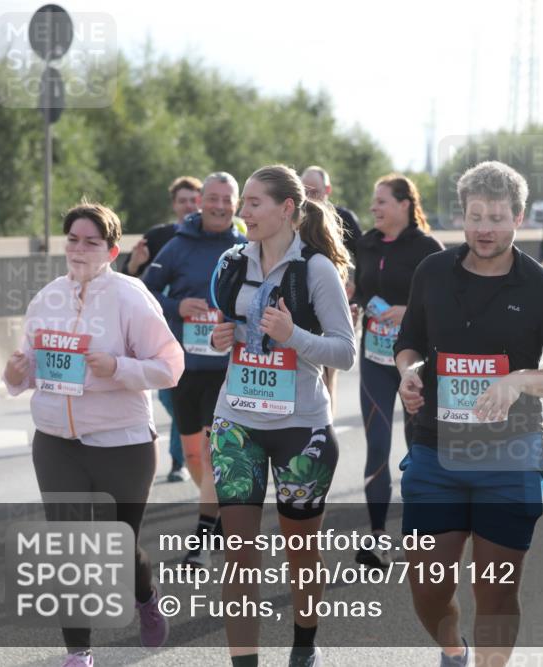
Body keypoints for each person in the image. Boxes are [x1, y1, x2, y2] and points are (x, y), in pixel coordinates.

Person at [395, 161, 543, 667]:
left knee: (496, 591)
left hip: (511, 457)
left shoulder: (542, 287)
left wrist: (518, 380)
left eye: (497, 217)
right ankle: (453, 651)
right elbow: (410, 341)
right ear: (463, 215)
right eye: (476, 215)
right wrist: (409, 372)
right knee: (428, 587)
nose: (485, 227)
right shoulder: (432, 272)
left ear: (518, 218)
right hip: (436, 451)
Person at [3, 201, 184, 667]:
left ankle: (144, 595)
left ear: (112, 249)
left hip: (121, 442)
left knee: (119, 547)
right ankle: (78, 652)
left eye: (91, 242)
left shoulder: (130, 296)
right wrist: (16, 372)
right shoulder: (47, 298)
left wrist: (119, 366)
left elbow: (169, 366)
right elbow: (30, 368)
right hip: (56, 442)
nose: (79, 249)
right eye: (73, 239)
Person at [209, 164, 357, 667]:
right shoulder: (234, 262)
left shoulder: (315, 270)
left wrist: (293, 335)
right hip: (237, 422)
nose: (242, 211)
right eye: (242, 203)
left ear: (286, 209)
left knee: (300, 551)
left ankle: (303, 646)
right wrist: (220, 337)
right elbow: (227, 328)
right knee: (238, 554)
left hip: (301, 429)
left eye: (253, 203)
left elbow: (344, 352)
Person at [143, 172, 247, 568]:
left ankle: (201, 540)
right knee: (192, 454)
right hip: (183, 366)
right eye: (214, 198)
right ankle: (216, 515)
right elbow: (146, 290)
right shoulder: (177, 245)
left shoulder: (243, 249)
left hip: (224, 368)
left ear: (235, 205)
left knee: (210, 449)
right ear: (202, 200)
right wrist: (177, 306)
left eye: (228, 200)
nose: (220, 206)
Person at [352, 173, 443, 568]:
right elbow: (357, 285)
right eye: (373, 202)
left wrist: (409, 311)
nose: (373, 208)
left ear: (405, 204)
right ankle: (376, 537)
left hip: (415, 365)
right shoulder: (366, 244)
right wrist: (354, 304)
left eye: (381, 201)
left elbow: (445, 300)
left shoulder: (427, 248)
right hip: (375, 359)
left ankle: (418, 533)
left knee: (416, 449)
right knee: (376, 444)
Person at [122, 176, 202, 482]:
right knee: (171, 399)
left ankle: (180, 461)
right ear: (174, 204)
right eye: (182, 200)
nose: (188, 206)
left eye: (193, 199)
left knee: (191, 398)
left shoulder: (217, 236)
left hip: (202, 336)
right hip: (162, 331)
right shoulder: (159, 237)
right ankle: (186, 453)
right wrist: (134, 265)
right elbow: (127, 279)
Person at [301, 165, 363, 418]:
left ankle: (326, 427)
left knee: (328, 371)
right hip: (304, 301)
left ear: (327, 190)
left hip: (337, 300)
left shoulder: (343, 218)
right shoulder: (294, 215)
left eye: (314, 190)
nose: (309, 195)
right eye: (304, 189)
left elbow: (364, 256)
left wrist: (355, 294)